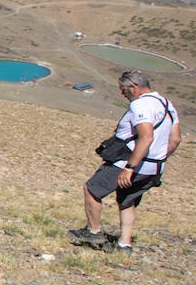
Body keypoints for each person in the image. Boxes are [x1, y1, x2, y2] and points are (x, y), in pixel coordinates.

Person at [70, 69, 181, 253]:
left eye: (123, 90)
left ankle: (94, 232)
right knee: (127, 201)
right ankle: (124, 244)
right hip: (153, 168)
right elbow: (175, 139)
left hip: (127, 163)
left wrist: (130, 167)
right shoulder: (168, 105)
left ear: (134, 87)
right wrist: (156, 160)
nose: (123, 94)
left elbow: (146, 136)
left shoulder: (141, 105)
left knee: (92, 189)